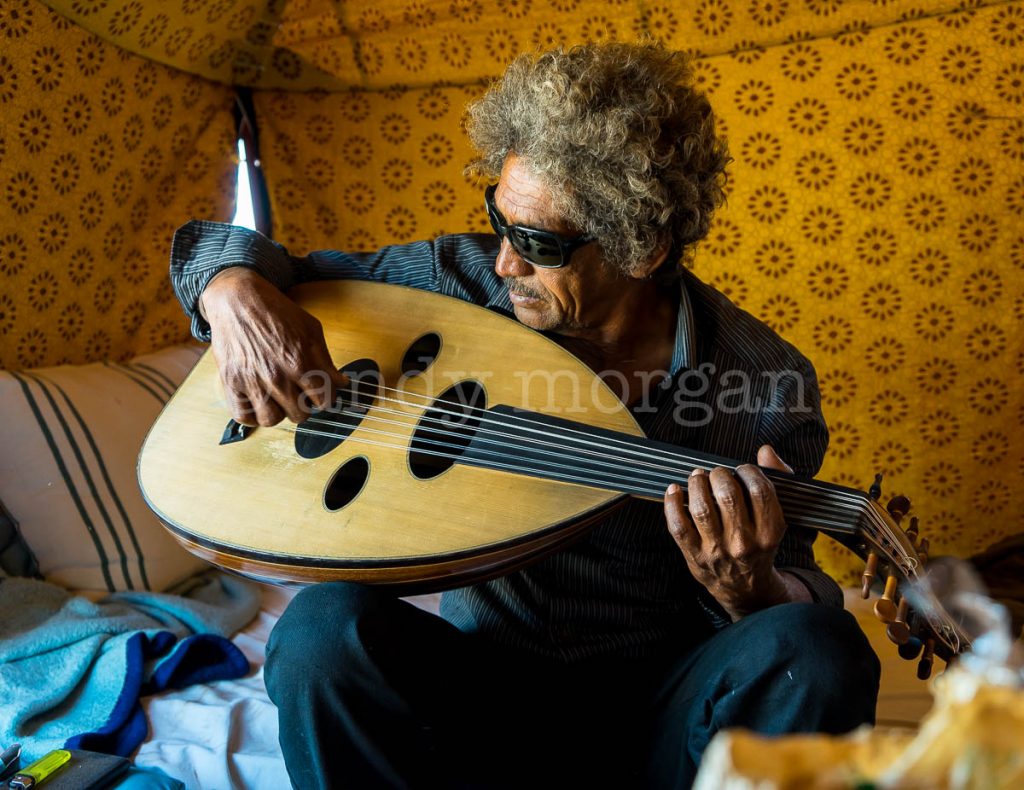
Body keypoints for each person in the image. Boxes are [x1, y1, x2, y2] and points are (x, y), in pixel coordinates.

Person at [169, 43, 879, 789]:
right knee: (320, 630)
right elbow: (235, 253)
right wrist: (234, 292)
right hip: (483, 693)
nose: (507, 264)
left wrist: (751, 592)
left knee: (818, 646)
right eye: (500, 224)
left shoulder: (766, 383)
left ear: (643, 247)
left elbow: (794, 596)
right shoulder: (462, 283)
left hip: (663, 713)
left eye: (539, 244)